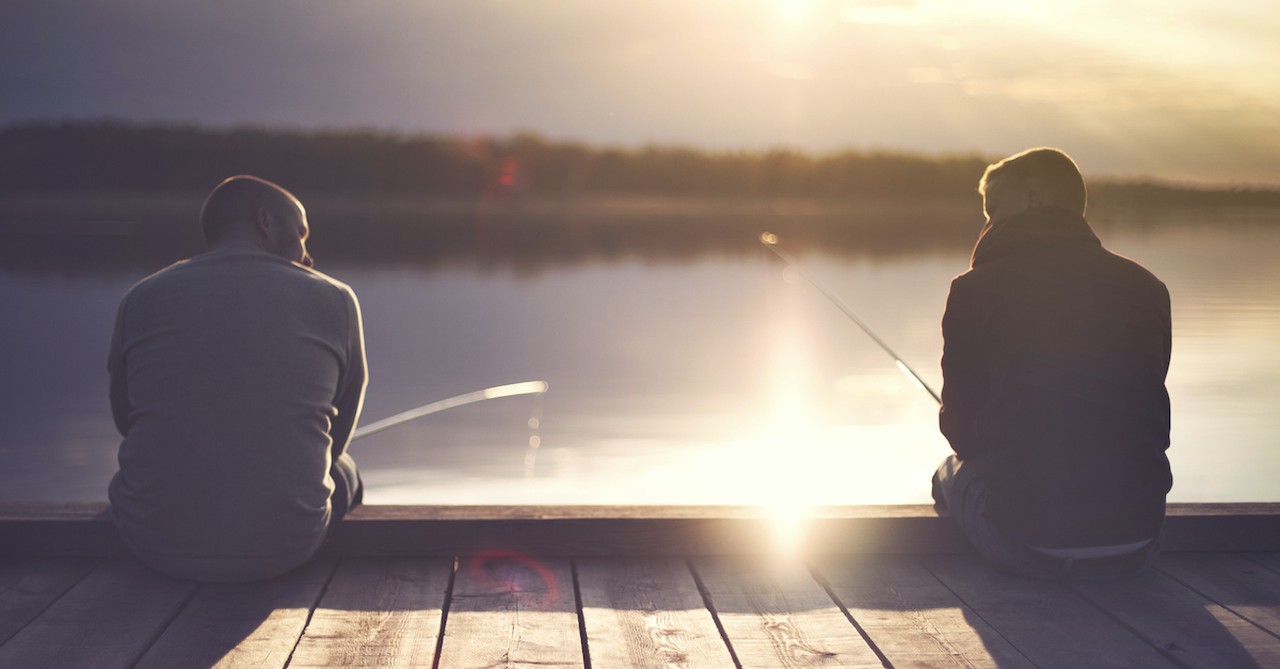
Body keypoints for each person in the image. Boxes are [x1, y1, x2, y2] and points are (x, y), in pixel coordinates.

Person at [108, 175, 367, 582]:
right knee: (347, 469)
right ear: (266, 223)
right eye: (301, 234)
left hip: (152, 544)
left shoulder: (141, 296)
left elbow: (126, 421)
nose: (308, 255)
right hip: (289, 547)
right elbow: (337, 437)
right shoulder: (335, 298)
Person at [932, 147, 1172, 579]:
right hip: (1140, 539)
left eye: (993, 208)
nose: (987, 224)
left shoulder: (975, 290)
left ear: (1032, 198)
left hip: (1029, 545)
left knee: (947, 474)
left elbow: (962, 433)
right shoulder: (1148, 286)